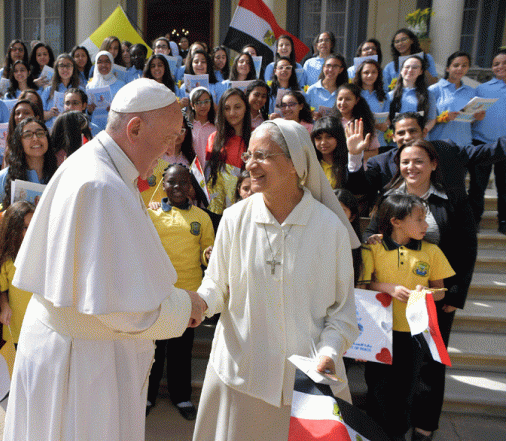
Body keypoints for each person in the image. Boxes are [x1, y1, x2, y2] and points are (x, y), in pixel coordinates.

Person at [2, 78, 206, 441]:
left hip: (77, 350)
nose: (172, 147)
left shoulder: (104, 166)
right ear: (136, 127)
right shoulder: (101, 185)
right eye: (169, 136)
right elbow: (120, 309)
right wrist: (182, 305)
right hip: (82, 365)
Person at [192, 119, 359, 440]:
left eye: (262, 155)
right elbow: (216, 286)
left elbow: (342, 313)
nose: (250, 164)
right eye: (249, 156)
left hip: (306, 382)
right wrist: (197, 304)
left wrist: (329, 352)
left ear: (296, 163)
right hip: (241, 377)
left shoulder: (329, 228)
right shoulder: (234, 218)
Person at [363, 140, 477, 441]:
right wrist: (374, 240)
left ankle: (424, 424)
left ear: (433, 164)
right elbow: (371, 234)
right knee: (388, 366)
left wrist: (453, 295)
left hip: (434, 296)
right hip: (389, 300)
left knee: (429, 363)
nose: (411, 167)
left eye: (418, 161)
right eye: (405, 161)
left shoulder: (452, 198)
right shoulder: (390, 198)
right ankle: (385, 423)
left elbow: (467, 248)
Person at [362, 193, 455, 441]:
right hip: (380, 333)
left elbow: (441, 291)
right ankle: (374, 433)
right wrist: (387, 287)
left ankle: (397, 434)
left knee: (406, 388)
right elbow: (362, 286)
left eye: (425, 219)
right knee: (378, 387)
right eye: (419, 219)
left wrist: (428, 292)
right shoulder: (373, 247)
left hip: (414, 335)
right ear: (396, 221)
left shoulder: (431, 251)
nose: (426, 225)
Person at [146, 164, 215, 420]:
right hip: (156, 293)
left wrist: (209, 255)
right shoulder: (150, 215)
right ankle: (147, 396)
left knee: (181, 349)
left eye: (183, 183)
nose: (177, 188)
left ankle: (182, 397)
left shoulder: (202, 217)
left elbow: (208, 253)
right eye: (172, 182)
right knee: (153, 349)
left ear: (190, 186)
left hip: (188, 294)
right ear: (163, 185)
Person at [345, 112, 506, 206]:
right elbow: (359, 188)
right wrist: (354, 155)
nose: (407, 137)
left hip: (444, 238)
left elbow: (489, 151)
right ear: (393, 137)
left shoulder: (445, 150)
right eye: (401, 133)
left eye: (412, 131)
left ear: (424, 133)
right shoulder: (380, 162)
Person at [469, 47, 506, 232]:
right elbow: (472, 114)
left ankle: (504, 222)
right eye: (496, 64)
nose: (500, 67)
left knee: (504, 187)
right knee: (477, 186)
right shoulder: (481, 89)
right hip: (482, 142)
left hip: (505, 146)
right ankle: (474, 220)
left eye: (504, 63)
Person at [0, 117, 58, 211]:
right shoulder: (3, 177)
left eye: (40, 133)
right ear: (19, 142)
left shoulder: (59, 174)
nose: (35, 138)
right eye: (28, 135)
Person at [0, 200, 36, 344]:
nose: (29, 232)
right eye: (24, 227)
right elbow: (2, 291)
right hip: (16, 329)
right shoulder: (6, 260)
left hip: (41, 329)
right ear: (13, 230)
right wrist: (4, 306)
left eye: (33, 226)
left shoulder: (45, 255)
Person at [205, 88, 252, 214]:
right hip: (217, 210)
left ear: (246, 108)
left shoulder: (255, 138)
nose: (232, 113)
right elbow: (209, 177)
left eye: (237, 107)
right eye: (227, 108)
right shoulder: (214, 138)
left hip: (246, 208)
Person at [428, 51, 483, 147]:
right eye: (456, 65)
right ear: (448, 68)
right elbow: (424, 120)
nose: (460, 69)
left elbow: (469, 120)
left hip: (465, 145)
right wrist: (444, 118)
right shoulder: (434, 90)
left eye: (464, 65)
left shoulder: (471, 92)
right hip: (439, 144)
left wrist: (476, 117)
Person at [354, 59, 392, 149]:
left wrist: (385, 126)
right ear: (360, 74)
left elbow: (387, 119)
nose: (370, 75)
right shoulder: (354, 93)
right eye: (366, 72)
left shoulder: (384, 95)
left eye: (374, 72)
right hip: (358, 140)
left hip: (379, 141)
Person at [87, 51, 125, 135]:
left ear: (112, 63)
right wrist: (89, 110)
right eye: (100, 62)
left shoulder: (120, 85)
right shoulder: (90, 86)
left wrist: (115, 108)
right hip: (95, 129)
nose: (103, 65)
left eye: (107, 61)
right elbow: (87, 114)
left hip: (114, 128)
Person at [41, 53, 82, 129]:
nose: (65, 69)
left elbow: (84, 112)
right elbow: (39, 114)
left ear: (73, 68)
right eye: (62, 66)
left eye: (68, 65)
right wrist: (50, 113)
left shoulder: (80, 90)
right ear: (57, 68)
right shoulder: (49, 90)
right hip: (52, 129)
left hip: (73, 128)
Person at [311, 116, 349, 189]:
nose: (323, 142)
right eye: (319, 138)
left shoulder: (348, 165)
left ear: (339, 138)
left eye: (329, 137)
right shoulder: (310, 164)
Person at [187, 87, 216, 166]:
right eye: (198, 102)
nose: (203, 105)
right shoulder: (187, 126)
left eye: (206, 101)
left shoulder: (216, 126)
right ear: (192, 105)